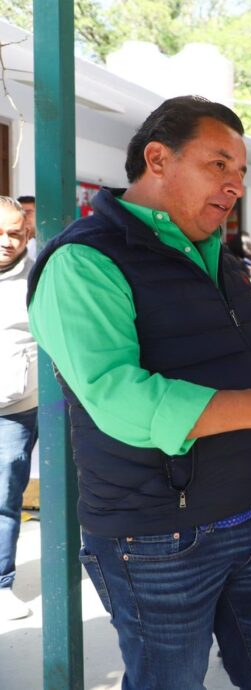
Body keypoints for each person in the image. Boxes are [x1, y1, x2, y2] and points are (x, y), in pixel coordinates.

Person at [26, 96, 251, 689]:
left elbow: (247, 369)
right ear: (157, 158)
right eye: (219, 165)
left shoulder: (221, 256)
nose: (234, 185)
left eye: (241, 172)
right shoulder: (84, 262)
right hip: (157, 539)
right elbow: (120, 398)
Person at [0, 196, 37, 620]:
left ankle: (1, 581)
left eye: (16, 232)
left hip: (19, 408)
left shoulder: (39, 275)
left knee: (5, 495)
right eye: (1, 233)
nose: (8, 241)